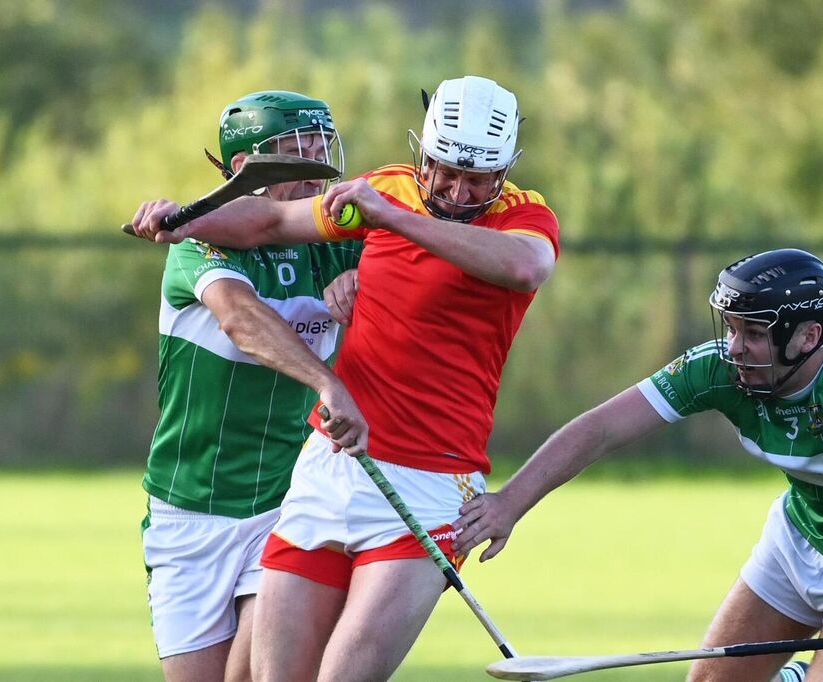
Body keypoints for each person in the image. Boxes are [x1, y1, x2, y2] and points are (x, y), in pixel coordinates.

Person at [130, 75, 558, 682]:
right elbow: (273, 223)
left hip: (430, 483)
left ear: (505, 170)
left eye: (479, 178)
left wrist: (391, 219)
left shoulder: (522, 216)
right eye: (443, 172)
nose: (459, 191)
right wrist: (191, 217)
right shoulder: (385, 190)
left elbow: (525, 266)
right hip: (330, 469)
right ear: (423, 152)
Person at [454, 248, 823, 682]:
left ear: (808, 337)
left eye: (755, 334)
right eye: (733, 329)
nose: (735, 348)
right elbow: (602, 428)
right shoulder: (719, 367)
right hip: (802, 538)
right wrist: (508, 504)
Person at [136, 90, 367, 682]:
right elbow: (240, 319)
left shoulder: (344, 242)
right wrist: (326, 382)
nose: (315, 172)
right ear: (244, 171)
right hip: (186, 511)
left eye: (321, 151)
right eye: (297, 156)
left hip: (288, 505)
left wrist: (366, 281)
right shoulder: (198, 244)